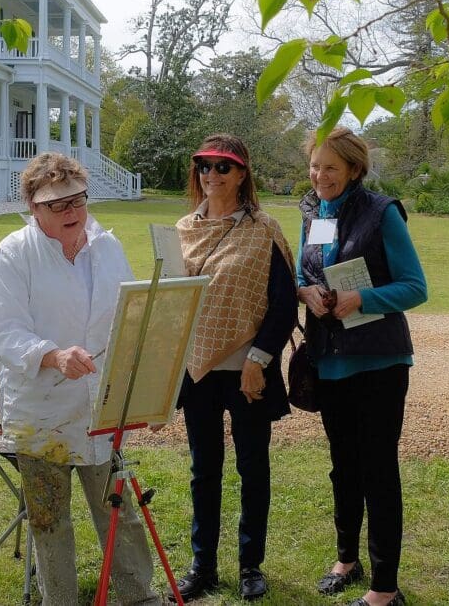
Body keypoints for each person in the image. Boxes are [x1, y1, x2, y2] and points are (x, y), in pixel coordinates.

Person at [0, 153, 158, 606]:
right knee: (49, 518)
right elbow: (2, 330)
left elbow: (129, 319)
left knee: (117, 510)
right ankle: (60, 599)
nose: (73, 213)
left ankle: (138, 596)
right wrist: (53, 355)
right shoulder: (13, 253)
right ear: (34, 208)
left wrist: (147, 390)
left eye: (78, 200)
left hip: (99, 404)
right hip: (39, 411)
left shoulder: (107, 246)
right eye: (58, 205)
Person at [296, 127, 427, 606]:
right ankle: (346, 560)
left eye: (330, 167)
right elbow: (302, 270)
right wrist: (303, 291)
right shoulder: (312, 211)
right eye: (314, 165)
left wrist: (363, 298)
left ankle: (384, 589)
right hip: (330, 361)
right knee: (343, 467)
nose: (320, 175)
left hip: (378, 363)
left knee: (377, 471)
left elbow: (415, 287)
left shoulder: (382, 212)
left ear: (353, 169)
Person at [172, 134, 298, 602]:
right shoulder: (183, 229)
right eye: (204, 165)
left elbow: (283, 306)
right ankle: (202, 566)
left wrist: (258, 360)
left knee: (252, 468)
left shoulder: (264, 229)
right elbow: (170, 301)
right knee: (203, 470)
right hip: (198, 370)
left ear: (242, 174)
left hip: (249, 370)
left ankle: (250, 566)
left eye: (223, 167)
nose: (211, 175)